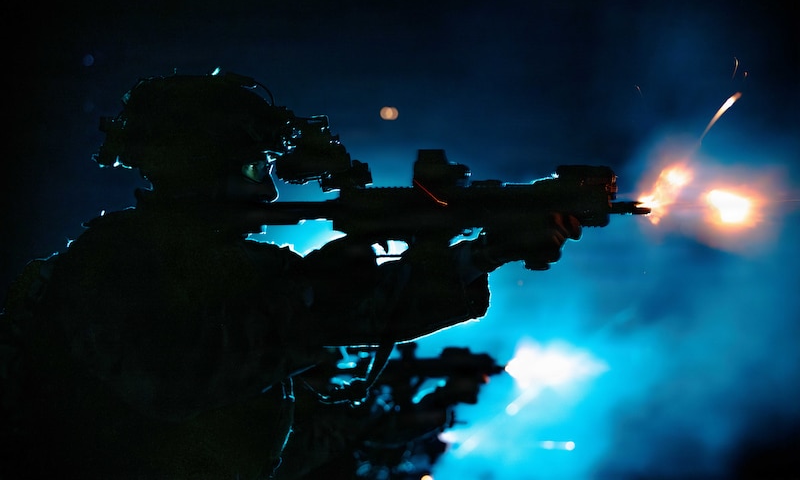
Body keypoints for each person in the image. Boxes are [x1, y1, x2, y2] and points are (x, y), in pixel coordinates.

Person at [0, 72, 581, 479]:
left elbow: (369, 312)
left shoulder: (240, 264)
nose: (269, 186)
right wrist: (309, 292)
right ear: (198, 160)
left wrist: (488, 250)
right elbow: (173, 381)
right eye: (254, 165)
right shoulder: (114, 260)